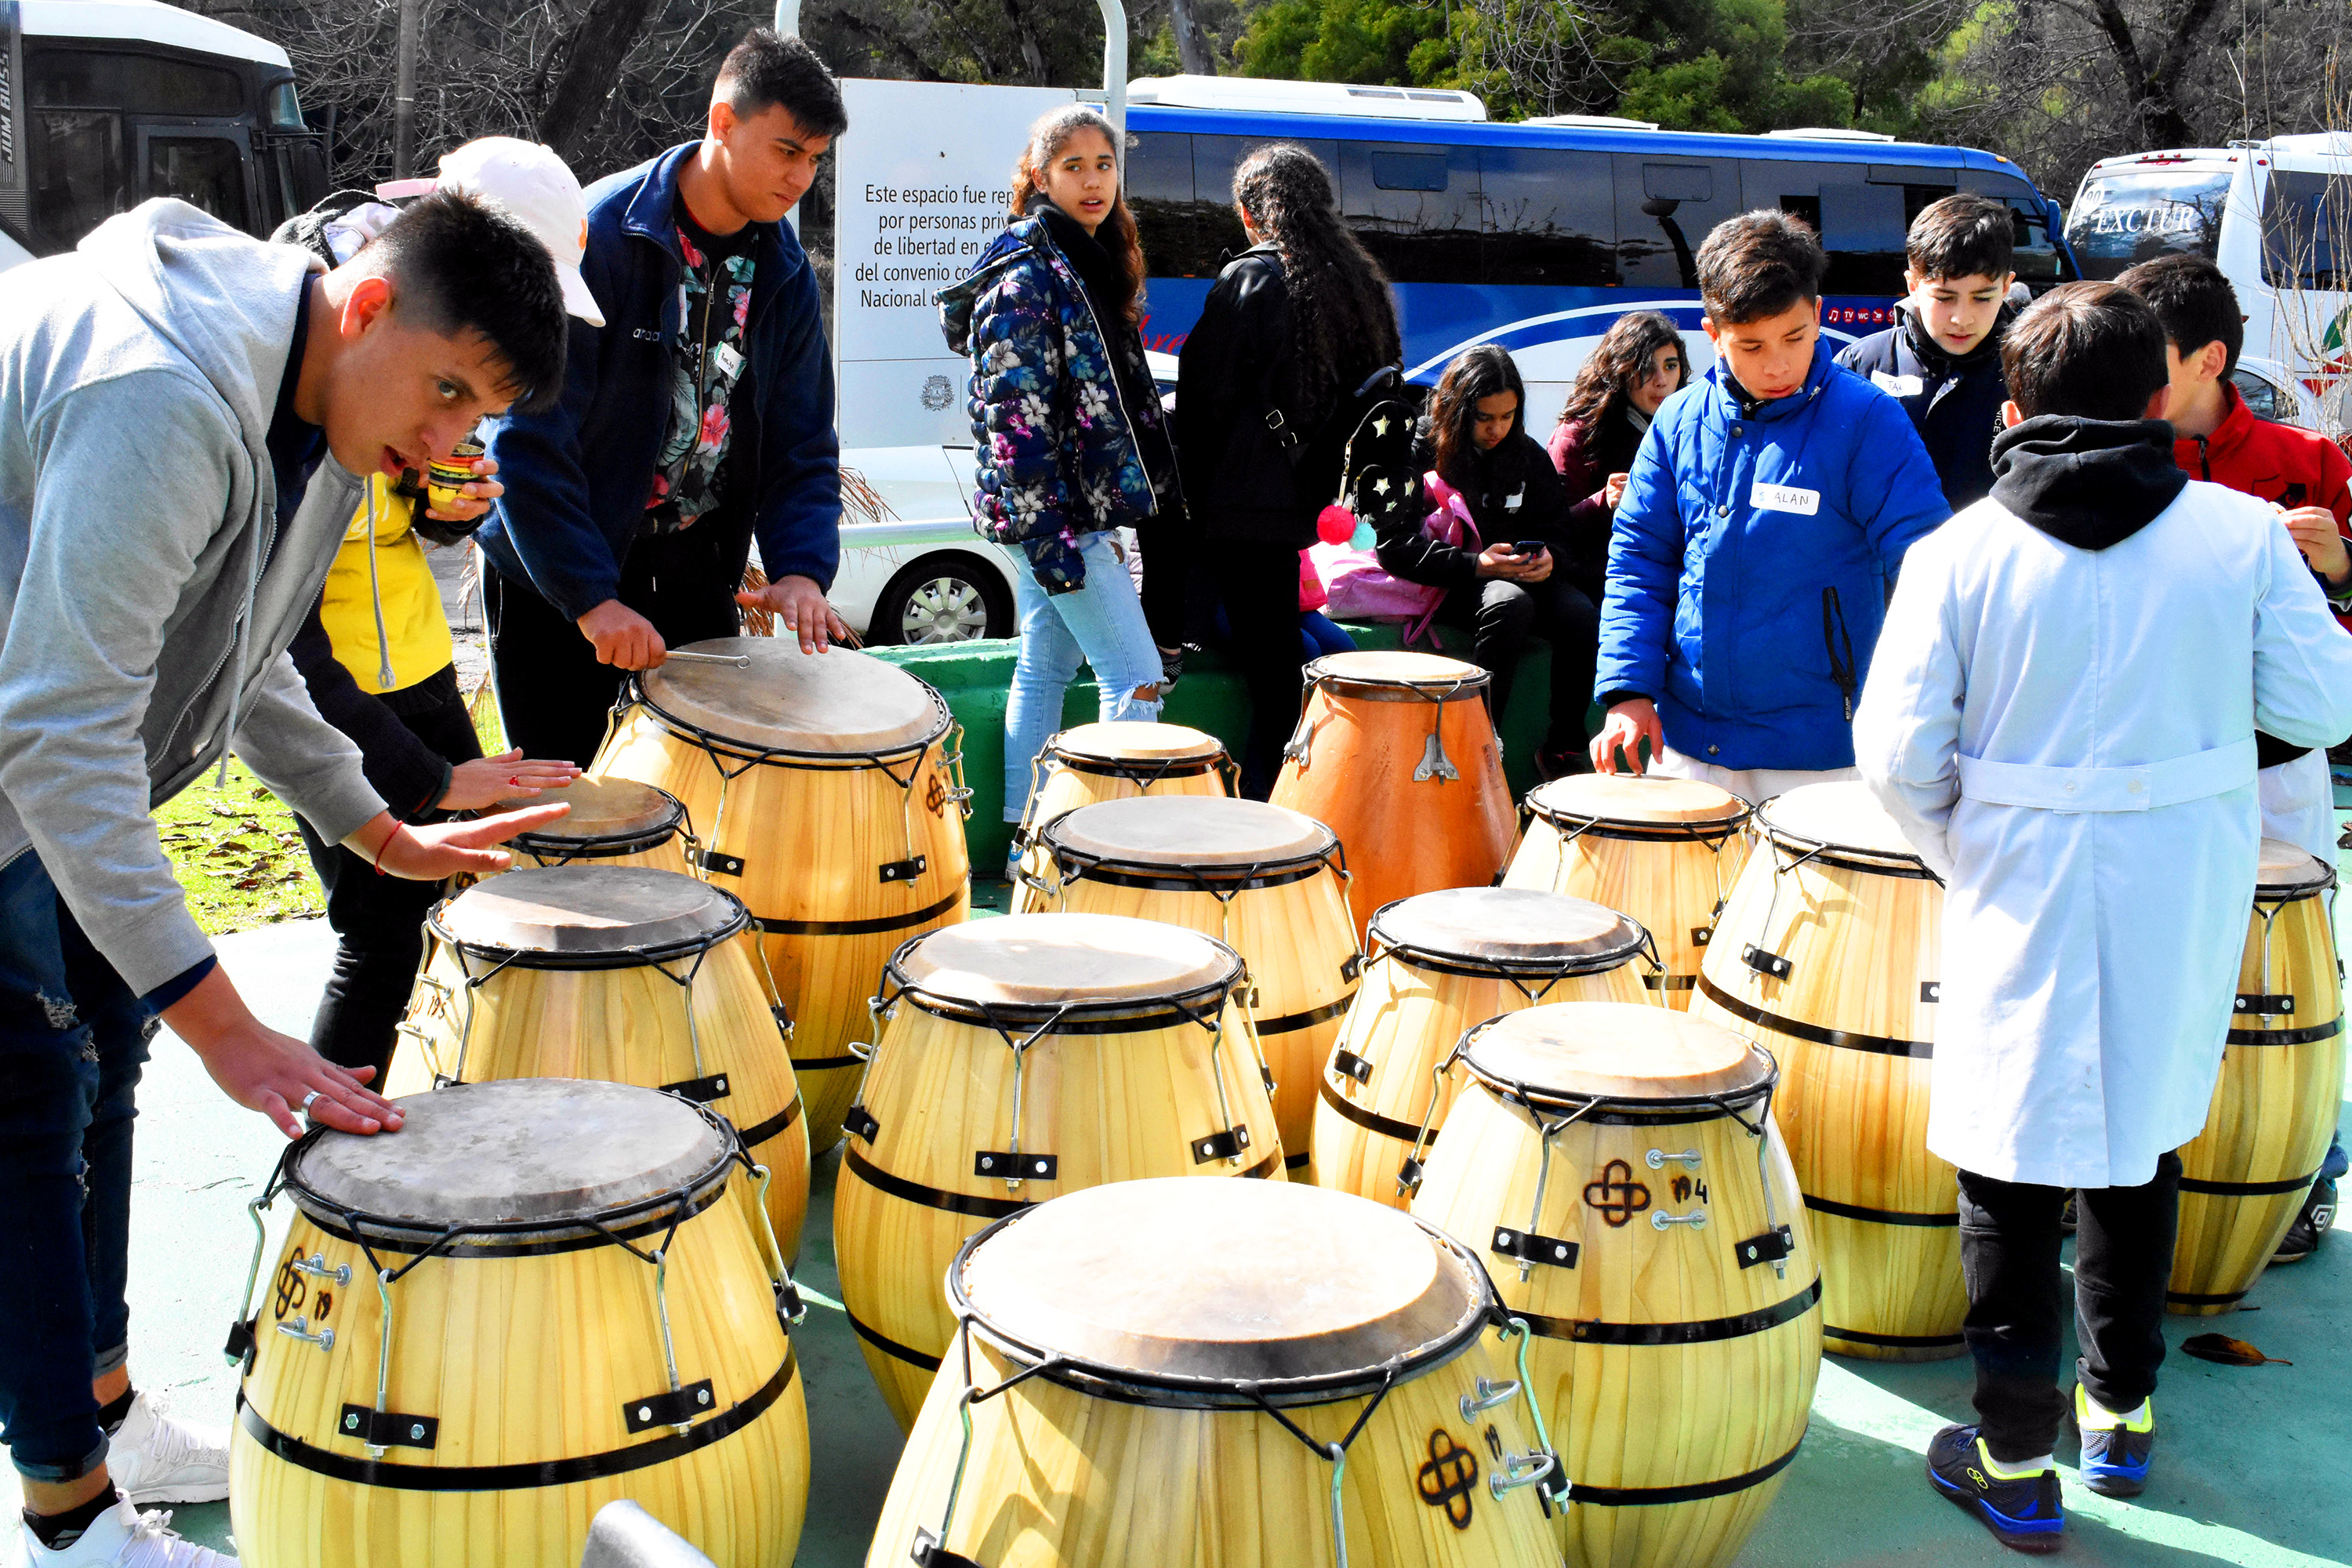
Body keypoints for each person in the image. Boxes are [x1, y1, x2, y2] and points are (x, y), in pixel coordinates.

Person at [1, 191, 570, 1566]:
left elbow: (246, 661)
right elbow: (58, 727)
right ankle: (67, 1516)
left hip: (58, 762)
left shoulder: (322, 411)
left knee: (104, 1073)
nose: (444, 443)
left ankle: (103, 1405)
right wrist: (227, 1026)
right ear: (366, 303)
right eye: (442, 390)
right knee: (27, 1106)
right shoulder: (163, 392)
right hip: (27, 767)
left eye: (474, 416)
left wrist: (380, 830)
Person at [1853, 280, 2352, 1553]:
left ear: (2013, 408)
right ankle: (2120, 1419)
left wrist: (1966, 842)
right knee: (2142, 1139)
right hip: (2177, 876)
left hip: (2015, 873)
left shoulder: (1954, 553)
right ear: (2154, 400)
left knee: (2008, 1169)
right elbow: (2324, 702)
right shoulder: (2240, 537)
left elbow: (1896, 752)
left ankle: (2014, 1458)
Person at [277, 139, 601, 1081]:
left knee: (434, 909)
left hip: (414, 663)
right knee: (380, 933)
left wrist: (438, 505)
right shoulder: (332, 338)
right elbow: (272, 635)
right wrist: (419, 778)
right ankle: (332, 1183)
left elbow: (388, 519)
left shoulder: (417, 351)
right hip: (327, 683)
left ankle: (415, 1136)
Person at [478, 28, 851, 768]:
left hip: (692, 565)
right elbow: (527, 441)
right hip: (555, 572)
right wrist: (589, 598)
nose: (802, 177)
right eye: (786, 151)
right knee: (567, 808)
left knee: (694, 802)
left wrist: (802, 568)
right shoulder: (598, 235)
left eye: (815, 159)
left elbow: (803, 442)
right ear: (723, 123)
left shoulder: (787, 273)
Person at [2118, 251, 2352, 1263]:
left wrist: (2341, 564)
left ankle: (2306, 1175)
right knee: (2154, 974)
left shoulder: (2312, 460)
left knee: (2291, 980)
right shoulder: (2118, 459)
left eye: (2151, 359)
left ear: (2211, 358)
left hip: (2277, 770)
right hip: (2157, 766)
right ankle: (2140, 1176)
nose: (2131, 380)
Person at [1590, 209, 1948, 800]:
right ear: (1712, 334)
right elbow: (1639, 564)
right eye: (1750, 345)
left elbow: (1929, 573)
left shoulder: (1866, 422)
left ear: (1820, 315)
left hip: (1822, 757)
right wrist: (1628, 691)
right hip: (1686, 747)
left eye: (1795, 337)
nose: (1777, 364)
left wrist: (1922, 712)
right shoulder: (1679, 420)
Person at [941, 105, 1182, 851]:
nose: (1092, 181)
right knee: (1137, 678)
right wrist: (1052, 539)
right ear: (1040, 176)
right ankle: (1105, 851)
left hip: (1065, 511)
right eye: (1073, 166)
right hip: (1052, 517)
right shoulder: (1029, 273)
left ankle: (1025, 842)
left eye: (1104, 165)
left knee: (1044, 669)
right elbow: (1014, 422)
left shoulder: (1084, 259)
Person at [1174, 142, 1399, 795]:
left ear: (1250, 213)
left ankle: (1261, 820)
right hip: (1304, 505)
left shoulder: (1252, 278)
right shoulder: (1354, 282)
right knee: (1280, 665)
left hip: (1241, 511)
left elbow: (1202, 401)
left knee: (1275, 687)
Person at [1377, 345, 1598, 777]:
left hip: (1517, 577)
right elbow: (1393, 546)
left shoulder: (1527, 454)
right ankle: (1479, 740)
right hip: (1450, 582)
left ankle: (1565, 744)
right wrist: (1476, 565)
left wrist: (1550, 559)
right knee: (1510, 603)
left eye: (1508, 416)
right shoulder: (1418, 448)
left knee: (1580, 613)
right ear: (1458, 410)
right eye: (1485, 417)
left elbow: (1559, 529)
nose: (1498, 428)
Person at [1835, 192, 2018, 511]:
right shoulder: (1861, 365)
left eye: (1983, 298)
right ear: (1913, 285)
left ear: (2006, 287)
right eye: (1945, 298)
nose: (1962, 318)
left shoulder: (2031, 370)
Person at [1549, 310, 1686, 535]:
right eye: (1646, 367)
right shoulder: (1578, 432)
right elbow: (1553, 526)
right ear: (1620, 370)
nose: (1661, 381)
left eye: (1670, 366)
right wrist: (1604, 501)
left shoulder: (1690, 426)